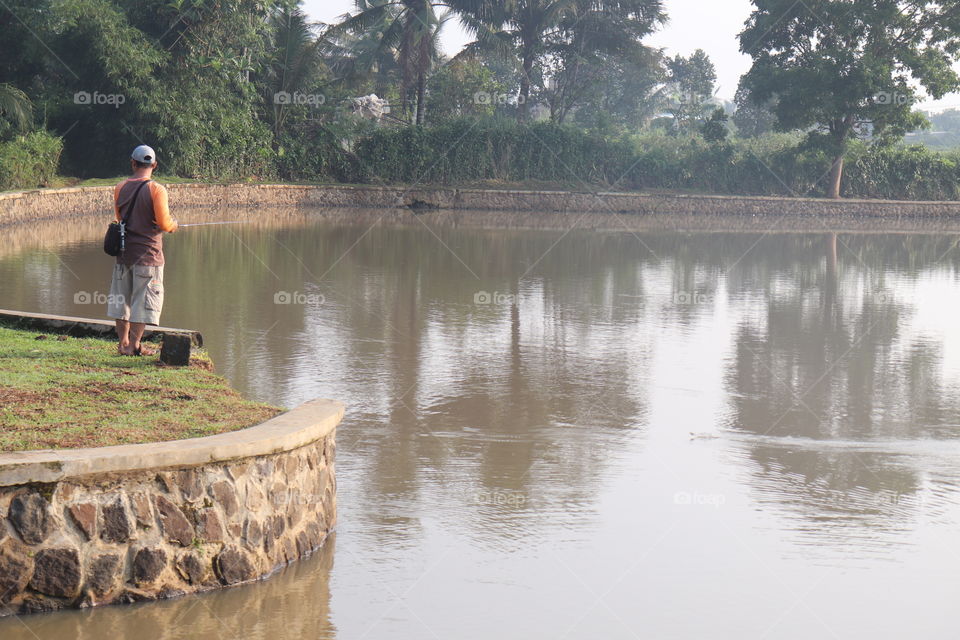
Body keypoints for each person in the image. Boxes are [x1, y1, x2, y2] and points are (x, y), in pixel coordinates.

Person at [106, 145, 178, 355]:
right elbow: (164, 224)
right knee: (143, 301)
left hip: (123, 254)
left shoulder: (120, 187)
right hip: (148, 256)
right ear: (154, 165)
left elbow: (119, 218)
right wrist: (174, 225)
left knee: (122, 301)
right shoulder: (157, 189)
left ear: (133, 163)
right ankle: (135, 346)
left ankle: (122, 344)